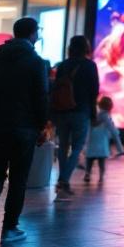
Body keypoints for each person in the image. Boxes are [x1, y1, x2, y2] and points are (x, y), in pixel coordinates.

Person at [0, 17, 50, 246]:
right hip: (24, 129)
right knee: (18, 179)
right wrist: (42, 124)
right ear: (33, 34)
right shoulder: (36, 62)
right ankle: (10, 227)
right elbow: (41, 96)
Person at [52, 36, 99, 201]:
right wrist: (93, 114)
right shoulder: (90, 66)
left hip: (63, 111)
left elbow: (56, 89)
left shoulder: (63, 65)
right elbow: (94, 92)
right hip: (81, 111)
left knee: (63, 147)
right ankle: (63, 180)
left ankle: (62, 182)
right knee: (78, 147)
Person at [84, 97, 123, 182]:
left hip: (92, 141)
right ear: (110, 107)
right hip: (102, 142)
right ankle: (101, 176)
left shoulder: (94, 115)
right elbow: (113, 130)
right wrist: (120, 149)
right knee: (101, 161)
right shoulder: (106, 117)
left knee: (90, 159)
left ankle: (87, 173)